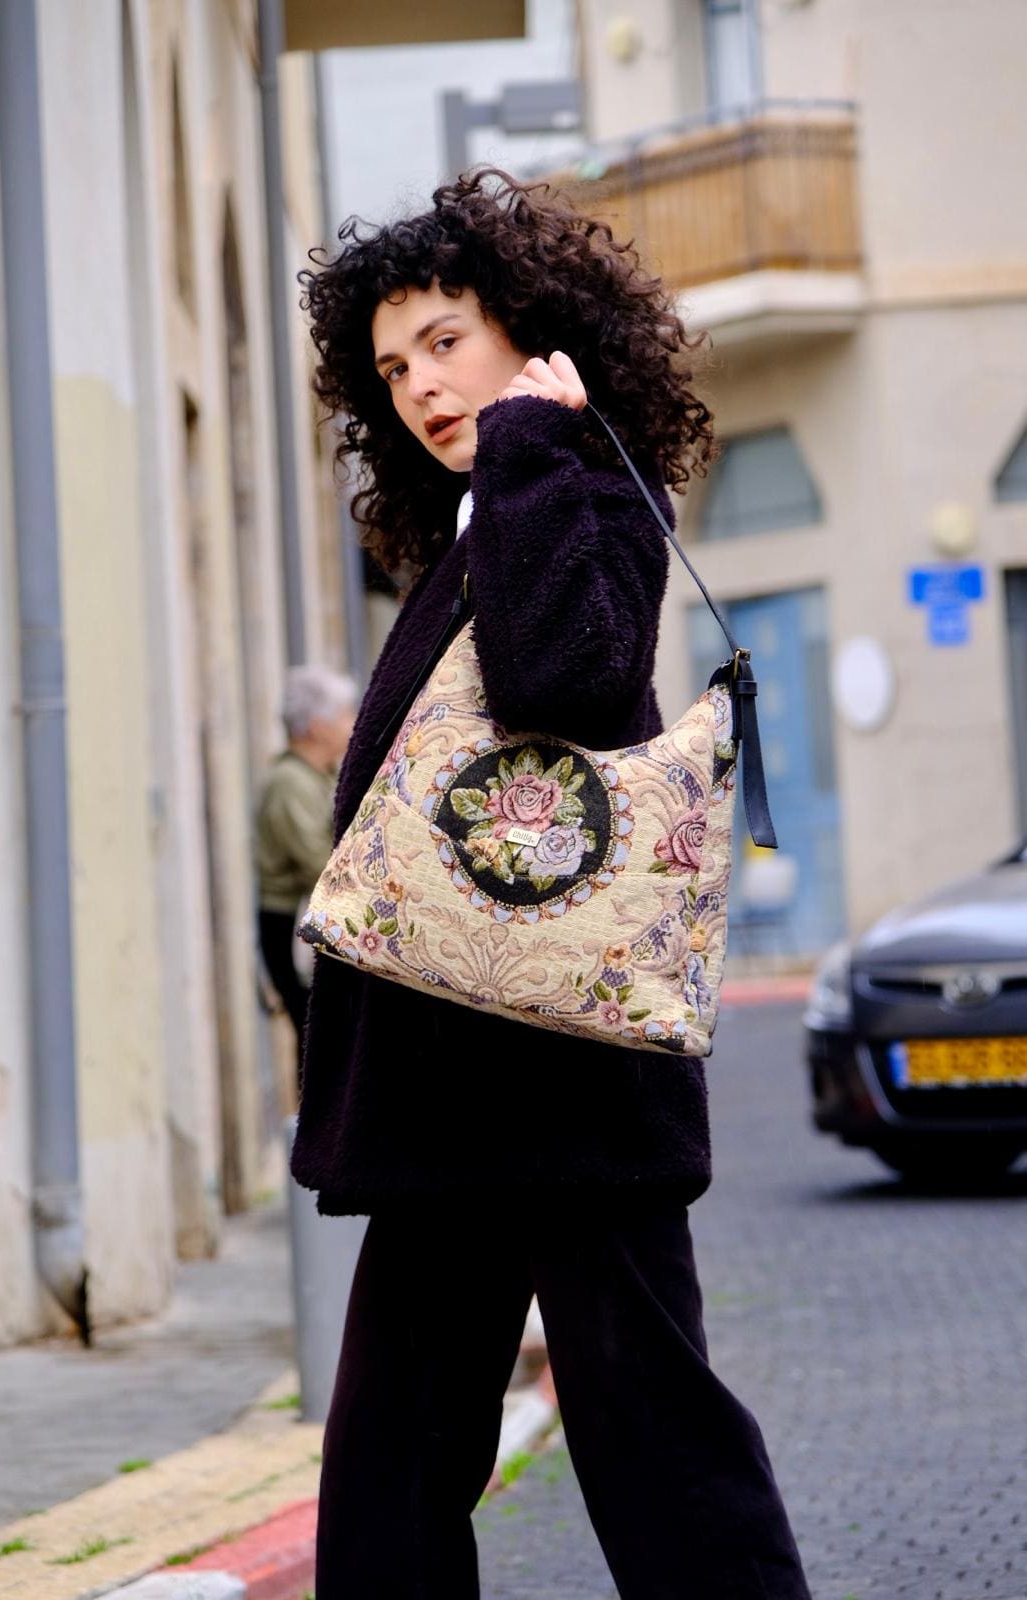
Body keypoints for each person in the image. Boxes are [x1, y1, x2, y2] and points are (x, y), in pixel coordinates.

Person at [292, 169, 812, 1599]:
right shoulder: (477, 521)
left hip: (570, 1081)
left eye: (443, 342)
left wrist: (532, 435)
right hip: (451, 1087)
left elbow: (561, 681)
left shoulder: (580, 484)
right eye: (392, 367)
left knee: (658, 1450)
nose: (419, 384)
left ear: (530, 330)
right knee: (389, 1467)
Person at [254, 663, 355, 1086]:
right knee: (316, 1038)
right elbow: (317, 862)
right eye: (344, 714)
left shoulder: (318, 776)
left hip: (309, 921)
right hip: (290, 924)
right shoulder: (290, 783)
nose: (352, 722)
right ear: (317, 725)